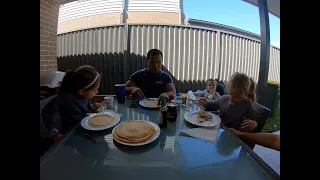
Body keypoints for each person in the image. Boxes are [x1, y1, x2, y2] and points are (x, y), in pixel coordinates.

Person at [42, 65, 102, 143]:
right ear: (81, 91)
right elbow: (46, 112)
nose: (97, 92)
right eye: (95, 90)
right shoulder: (64, 98)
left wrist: (91, 107)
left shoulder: (84, 96)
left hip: (85, 130)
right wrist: (55, 133)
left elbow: (84, 109)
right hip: (71, 136)